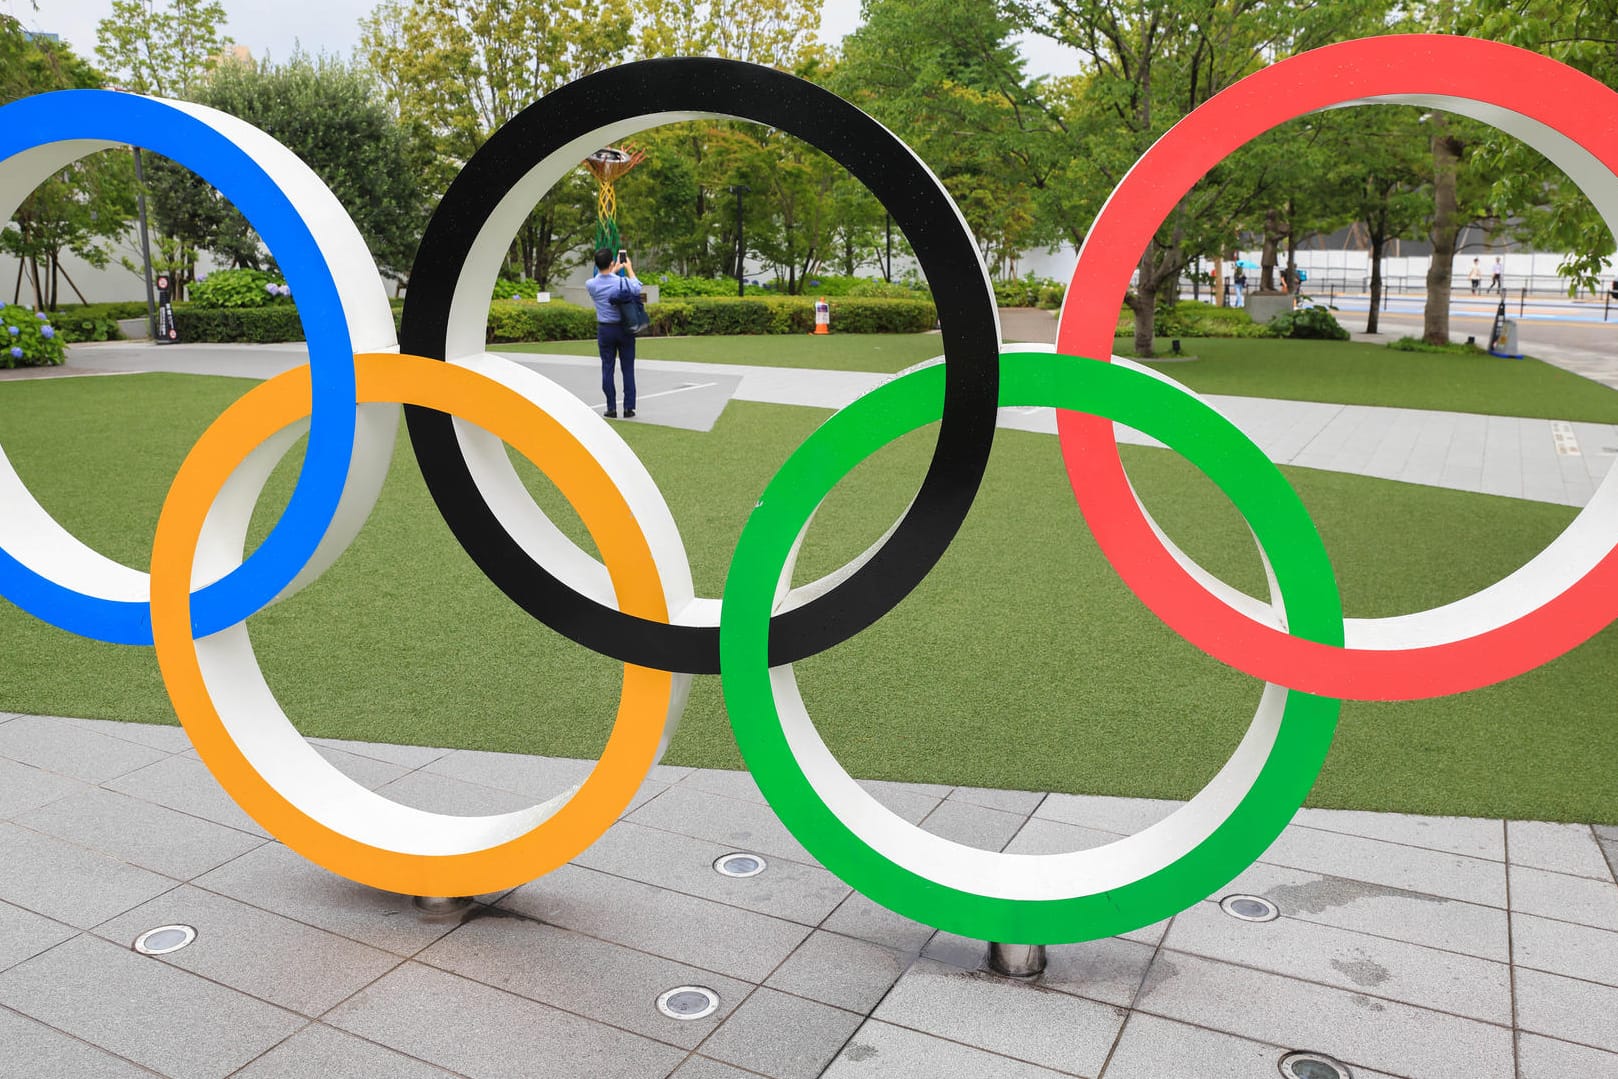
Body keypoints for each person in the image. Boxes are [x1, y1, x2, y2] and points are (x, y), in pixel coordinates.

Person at [585, 247, 641, 418]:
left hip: (605, 329)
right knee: (628, 368)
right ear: (612, 262)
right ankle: (628, 408)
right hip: (624, 329)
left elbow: (599, 279)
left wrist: (611, 269)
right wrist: (628, 268)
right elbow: (637, 288)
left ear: (596, 264)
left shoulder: (591, 284)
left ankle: (611, 407)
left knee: (607, 368)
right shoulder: (621, 282)